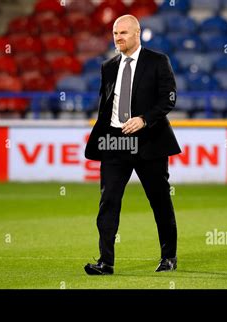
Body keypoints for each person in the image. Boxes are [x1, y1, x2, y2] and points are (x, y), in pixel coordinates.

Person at [84, 14, 181, 275]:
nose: (118, 38)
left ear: (137, 34)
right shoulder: (108, 66)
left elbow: (169, 98)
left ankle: (168, 257)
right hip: (115, 142)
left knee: (159, 200)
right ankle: (106, 262)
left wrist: (144, 119)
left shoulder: (158, 62)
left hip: (148, 141)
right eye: (115, 33)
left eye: (123, 33)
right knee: (109, 201)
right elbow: (106, 104)